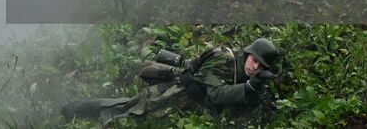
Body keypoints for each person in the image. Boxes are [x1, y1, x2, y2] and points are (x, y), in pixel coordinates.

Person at [62, 39, 280, 125]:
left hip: (186, 111)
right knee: (126, 111)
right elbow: (214, 94)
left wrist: (253, 92)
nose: (255, 68)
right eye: (254, 62)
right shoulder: (225, 59)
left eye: (261, 67)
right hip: (172, 93)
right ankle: (74, 110)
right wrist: (248, 88)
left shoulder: (250, 78)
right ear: (248, 54)